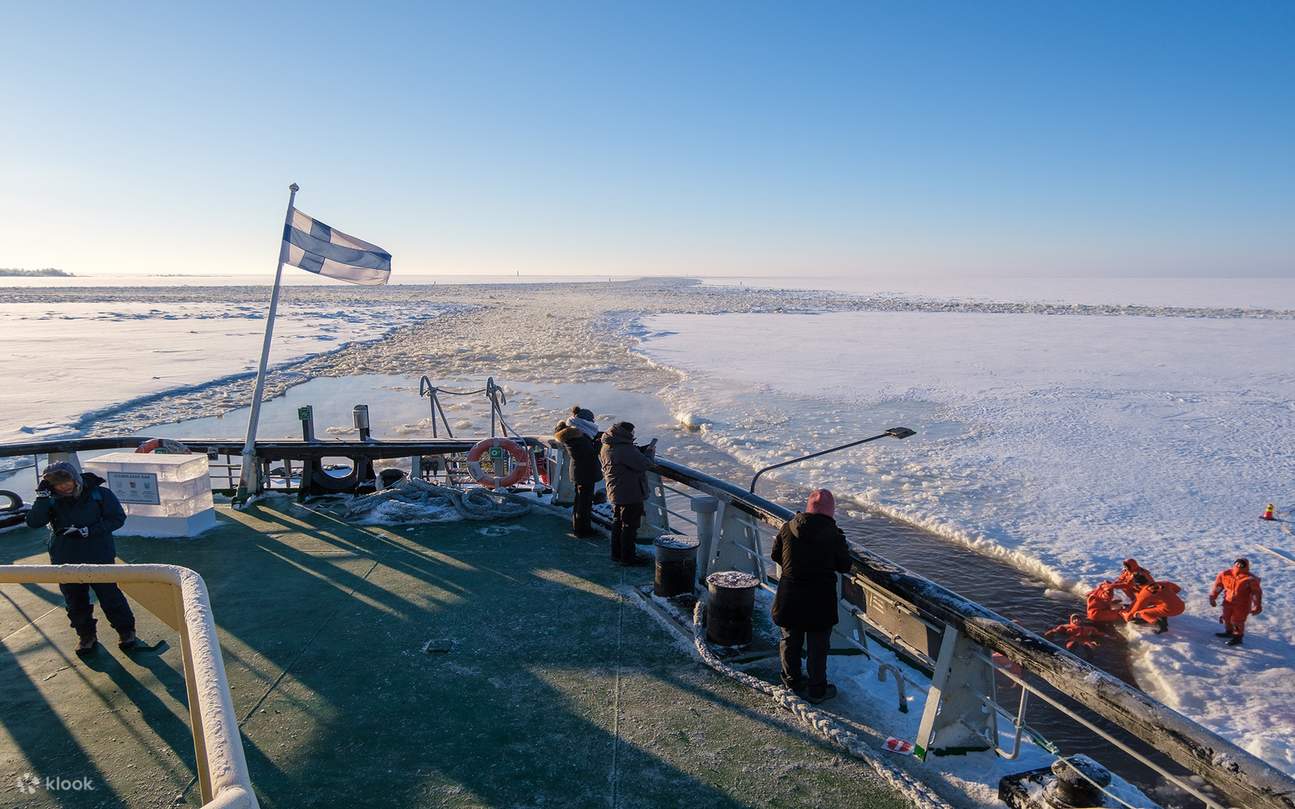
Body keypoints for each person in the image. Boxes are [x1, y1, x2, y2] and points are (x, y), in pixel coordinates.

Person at [25, 462, 140, 654]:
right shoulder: (50, 499)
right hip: (65, 556)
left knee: (110, 596)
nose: (64, 487)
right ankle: (86, 635)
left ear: (75, 478)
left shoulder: (99, 494)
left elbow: (117, 518)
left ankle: (126, 631)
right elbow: (34, 522)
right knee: (75, 600)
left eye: (67, 481)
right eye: (58, 484)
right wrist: (42, 497)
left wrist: (88, 531)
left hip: (98, 554)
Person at [771, 489, 852, 704]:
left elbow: (775, 555)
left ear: (807, 508)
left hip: (789, 596)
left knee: (790, 640)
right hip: (820, 599)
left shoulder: (788, 528)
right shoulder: (834, 536)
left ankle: (791, 681)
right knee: (817, 647)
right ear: (830, 512)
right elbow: (844, 565)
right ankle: (817, 690)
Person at [599, 422, 656, 565]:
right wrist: (649, 452)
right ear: (626, 433)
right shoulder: (624, 449)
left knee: (618, 523)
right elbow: (645, 464)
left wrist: (639, 450)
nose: (633, 435)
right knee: (630, 526)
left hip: (616, 490)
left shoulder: (608, 444)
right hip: (630, 492)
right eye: (632, 433)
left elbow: (629, 457)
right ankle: (628, 558)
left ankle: (617, 554)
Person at [554, 406, 602, 537]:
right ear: (586, 422)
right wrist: (598, 444)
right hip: (585, 472)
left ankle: (579, 527)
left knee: (580, 501)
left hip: (580, 471)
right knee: (584, 504)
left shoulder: (573, 434)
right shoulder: (577, 437)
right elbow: (588, 454)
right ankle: (582, 530)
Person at [1210, 558, 1262, 646]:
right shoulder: (1225, 574)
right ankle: (1229, 632)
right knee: (1226, 618)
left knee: (1237, 621)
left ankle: (1238, 637)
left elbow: (1255, 593)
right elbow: (1218, 586)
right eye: (1237, 564)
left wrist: (1257, 605)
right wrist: (1213, 596)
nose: (1238, 566)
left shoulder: (1250, 579)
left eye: (1241, 565)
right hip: (1228, 602)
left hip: (1242, 605)